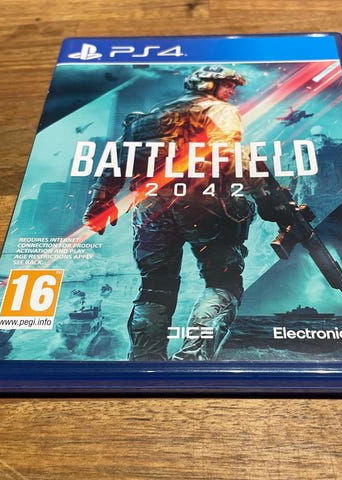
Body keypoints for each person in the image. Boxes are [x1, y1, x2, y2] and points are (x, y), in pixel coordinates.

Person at [83, 65, 257, 361]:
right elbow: (226, 155)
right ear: (207, 84)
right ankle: (192, 360)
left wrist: (100, 202)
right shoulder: (220, 110)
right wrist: (261, 192)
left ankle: (144, 362)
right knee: (223, 280)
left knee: (155, 286)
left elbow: (118, 160)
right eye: (227, 85)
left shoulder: (147, 118)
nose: (232, 91)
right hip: (205, 204)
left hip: (151, 208)